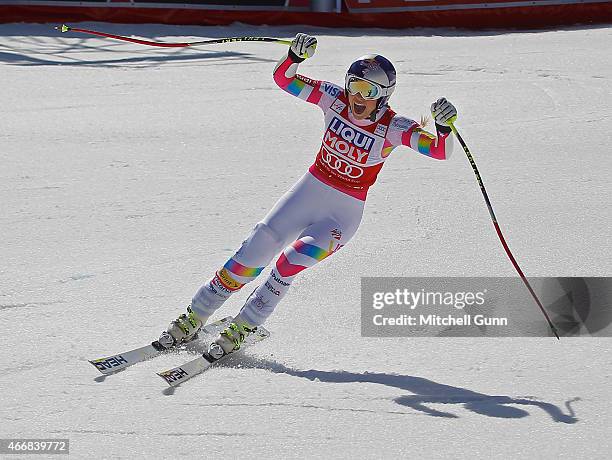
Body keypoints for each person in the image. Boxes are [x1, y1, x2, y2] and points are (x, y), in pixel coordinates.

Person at [158, 33, 457, 358]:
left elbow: (440, 151)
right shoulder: (334, 99)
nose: (357, 96)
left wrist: (443, 128)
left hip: (340, 216)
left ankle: (244, 327)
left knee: (289, 263)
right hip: (306, 193)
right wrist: (294, 57)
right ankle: (193, 317)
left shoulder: (394, 127)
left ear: (383, 96)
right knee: (252, 254)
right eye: (353, 85)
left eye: (367, 91)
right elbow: (284, 79)